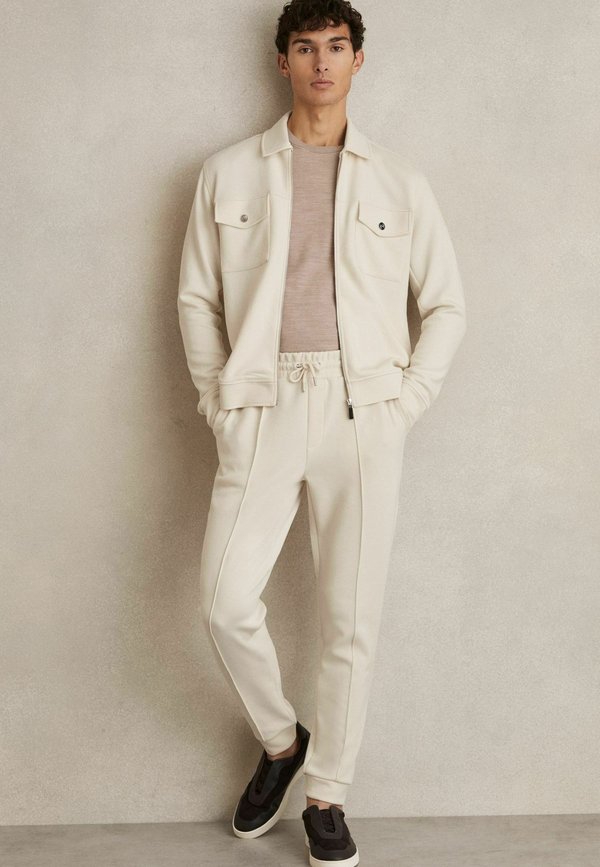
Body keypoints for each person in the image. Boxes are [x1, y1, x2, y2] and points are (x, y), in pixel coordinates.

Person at [177, 1, 466, 863]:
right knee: (223, 601)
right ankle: (282, 741)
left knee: (351, 618)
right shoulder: (228, 172)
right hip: (262, 407)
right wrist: (221, 403)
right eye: (305, 48)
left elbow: (446, 305)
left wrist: (404, 403)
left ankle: (328, 794)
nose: (322, 63)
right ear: (283, 62)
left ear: (358, 59)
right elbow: (196, 299)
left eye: (336, 47)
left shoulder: (399, 180)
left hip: (362, 412)